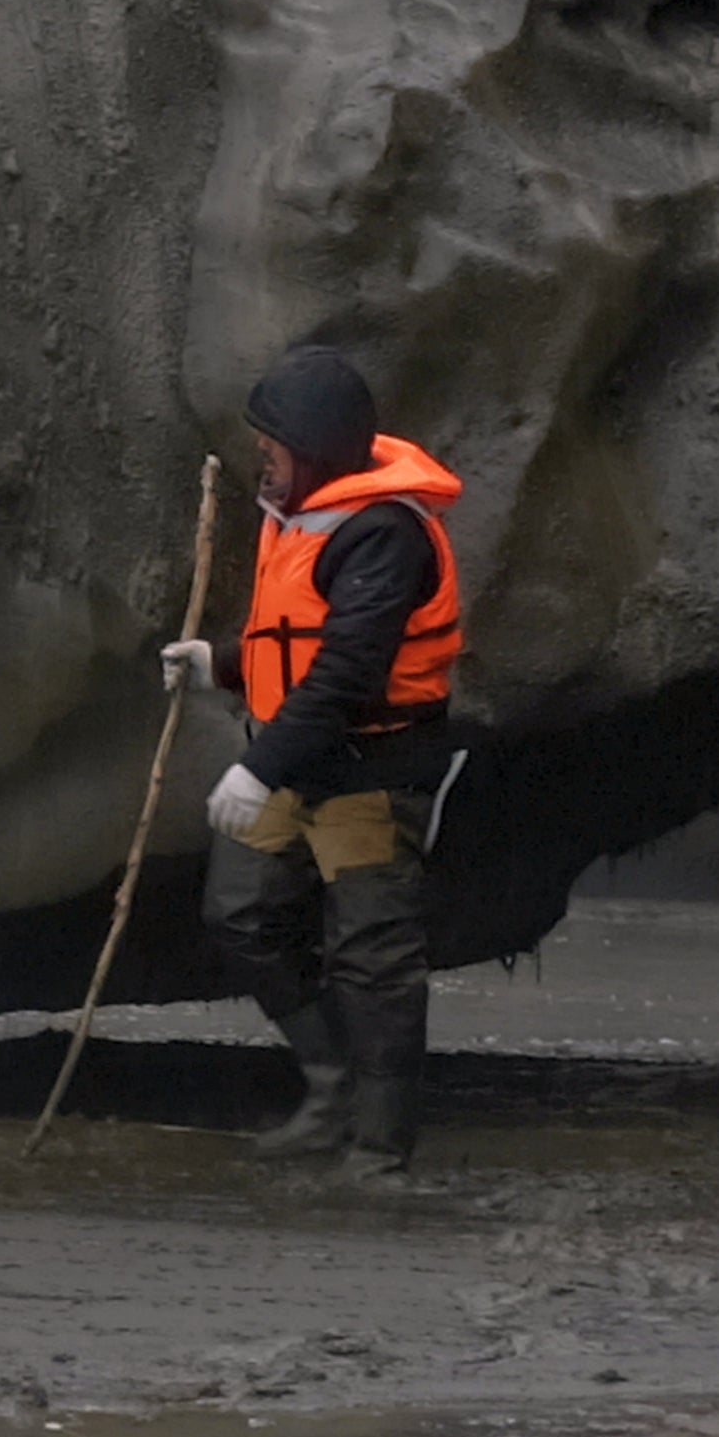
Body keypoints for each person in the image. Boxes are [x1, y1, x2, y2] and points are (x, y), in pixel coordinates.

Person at [157, 343, 467, 1180]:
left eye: (273, 448)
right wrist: (217, 663)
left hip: (370, 770)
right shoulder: (300, 514)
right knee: (240, 911)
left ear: (319, 451)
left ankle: (378, 1145)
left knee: (374, 956)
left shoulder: (386, 534)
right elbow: (292, 642)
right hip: (298, 757)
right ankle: (330, 1087)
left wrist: (258, 767)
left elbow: (347, 670)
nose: (262, 459)